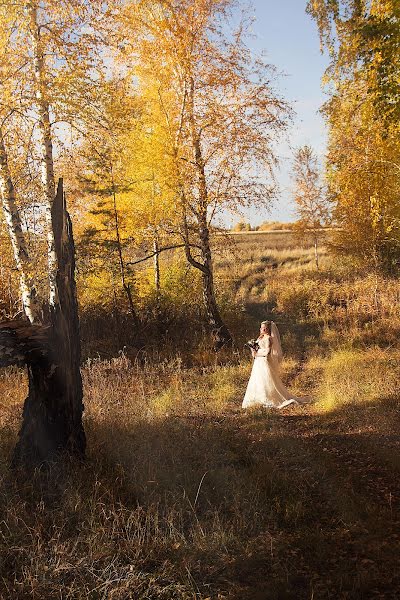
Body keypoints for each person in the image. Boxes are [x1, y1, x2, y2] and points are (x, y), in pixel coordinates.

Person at [242, 320, 309, 409]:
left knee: (266, 380)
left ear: (267, 328)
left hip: (264, 361)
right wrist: (253, 349)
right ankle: (256, 399)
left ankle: (267, 398)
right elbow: (256, 351)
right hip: (258, 362)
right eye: (261, 327)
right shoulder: (260, 338)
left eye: (263, 327)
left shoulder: (269, 338)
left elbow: (267, 352)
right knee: (257, 379)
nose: (261, 329)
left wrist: (258, 353)